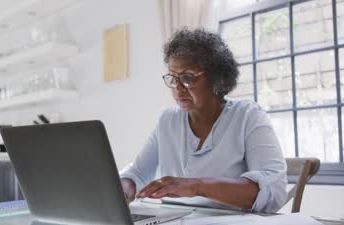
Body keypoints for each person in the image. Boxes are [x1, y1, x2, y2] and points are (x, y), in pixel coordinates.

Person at [120, 28, 287, 212]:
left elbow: (273, 193)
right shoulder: (168, 120)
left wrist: (197, 186)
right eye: (174, 79)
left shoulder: (247, 116)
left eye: (187, 78)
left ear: (216, 78)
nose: (178, 88)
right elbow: (137, 173)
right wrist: (122, 189)